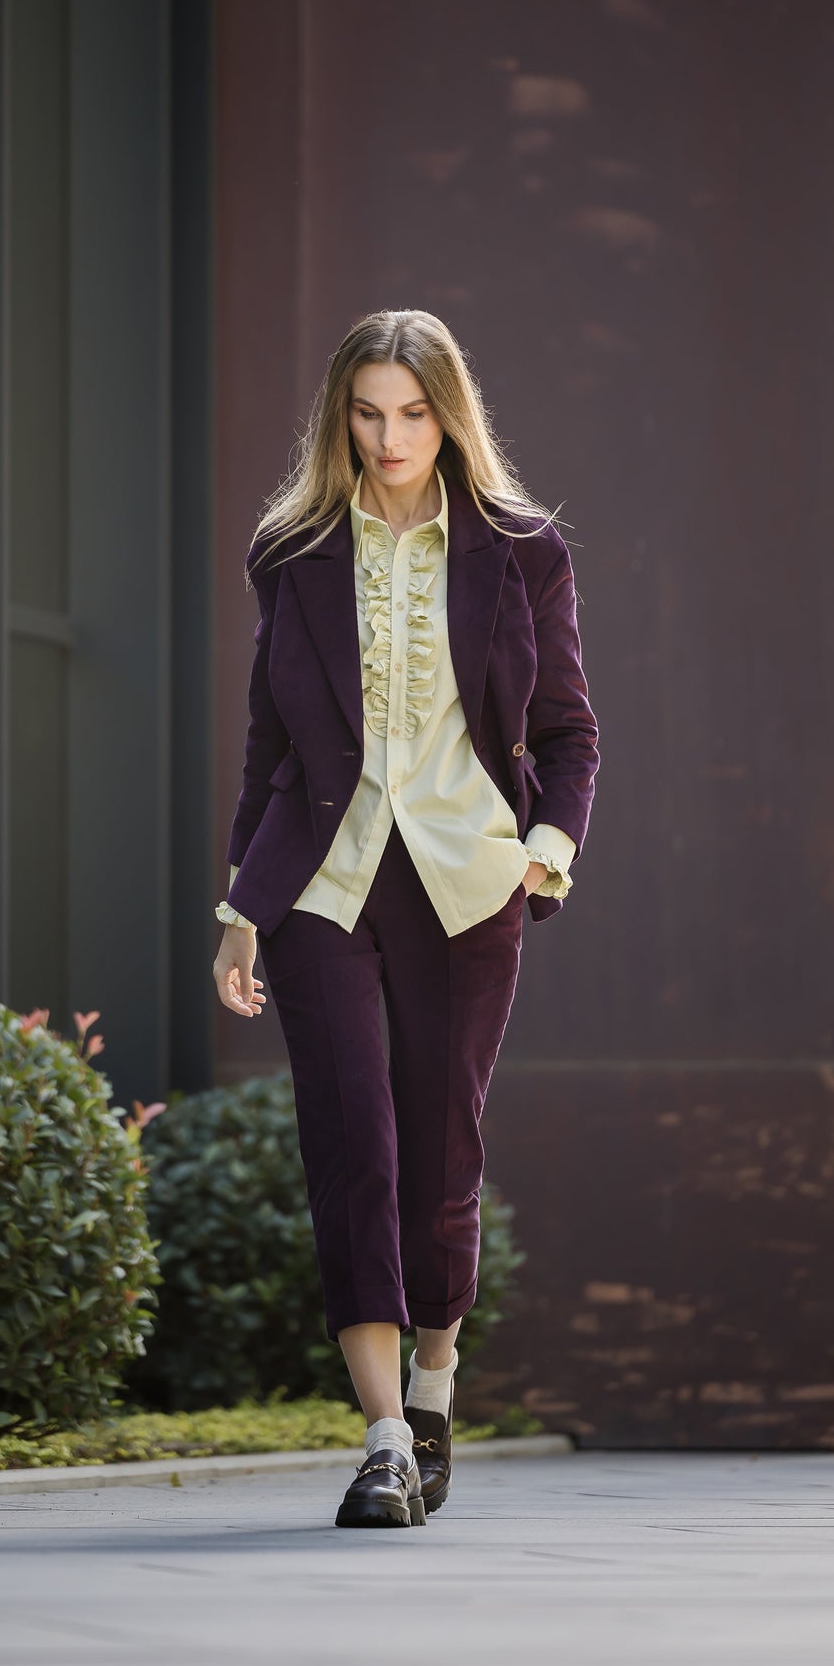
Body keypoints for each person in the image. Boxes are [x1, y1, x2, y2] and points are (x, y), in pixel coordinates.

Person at [212, 308, 598, 1530]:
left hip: (468, 878)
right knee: (350, 1145)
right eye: (366, 413)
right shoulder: (291, 552)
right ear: (339, 417)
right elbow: (266, 748)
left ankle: (433, 1385)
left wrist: (547, 845)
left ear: (448, 414)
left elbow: (568, 732)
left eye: (412, 412)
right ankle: (382, 1439)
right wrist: (239, 909)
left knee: (441, 1149)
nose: (388, 437)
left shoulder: (520, 548)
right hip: (321, 884)